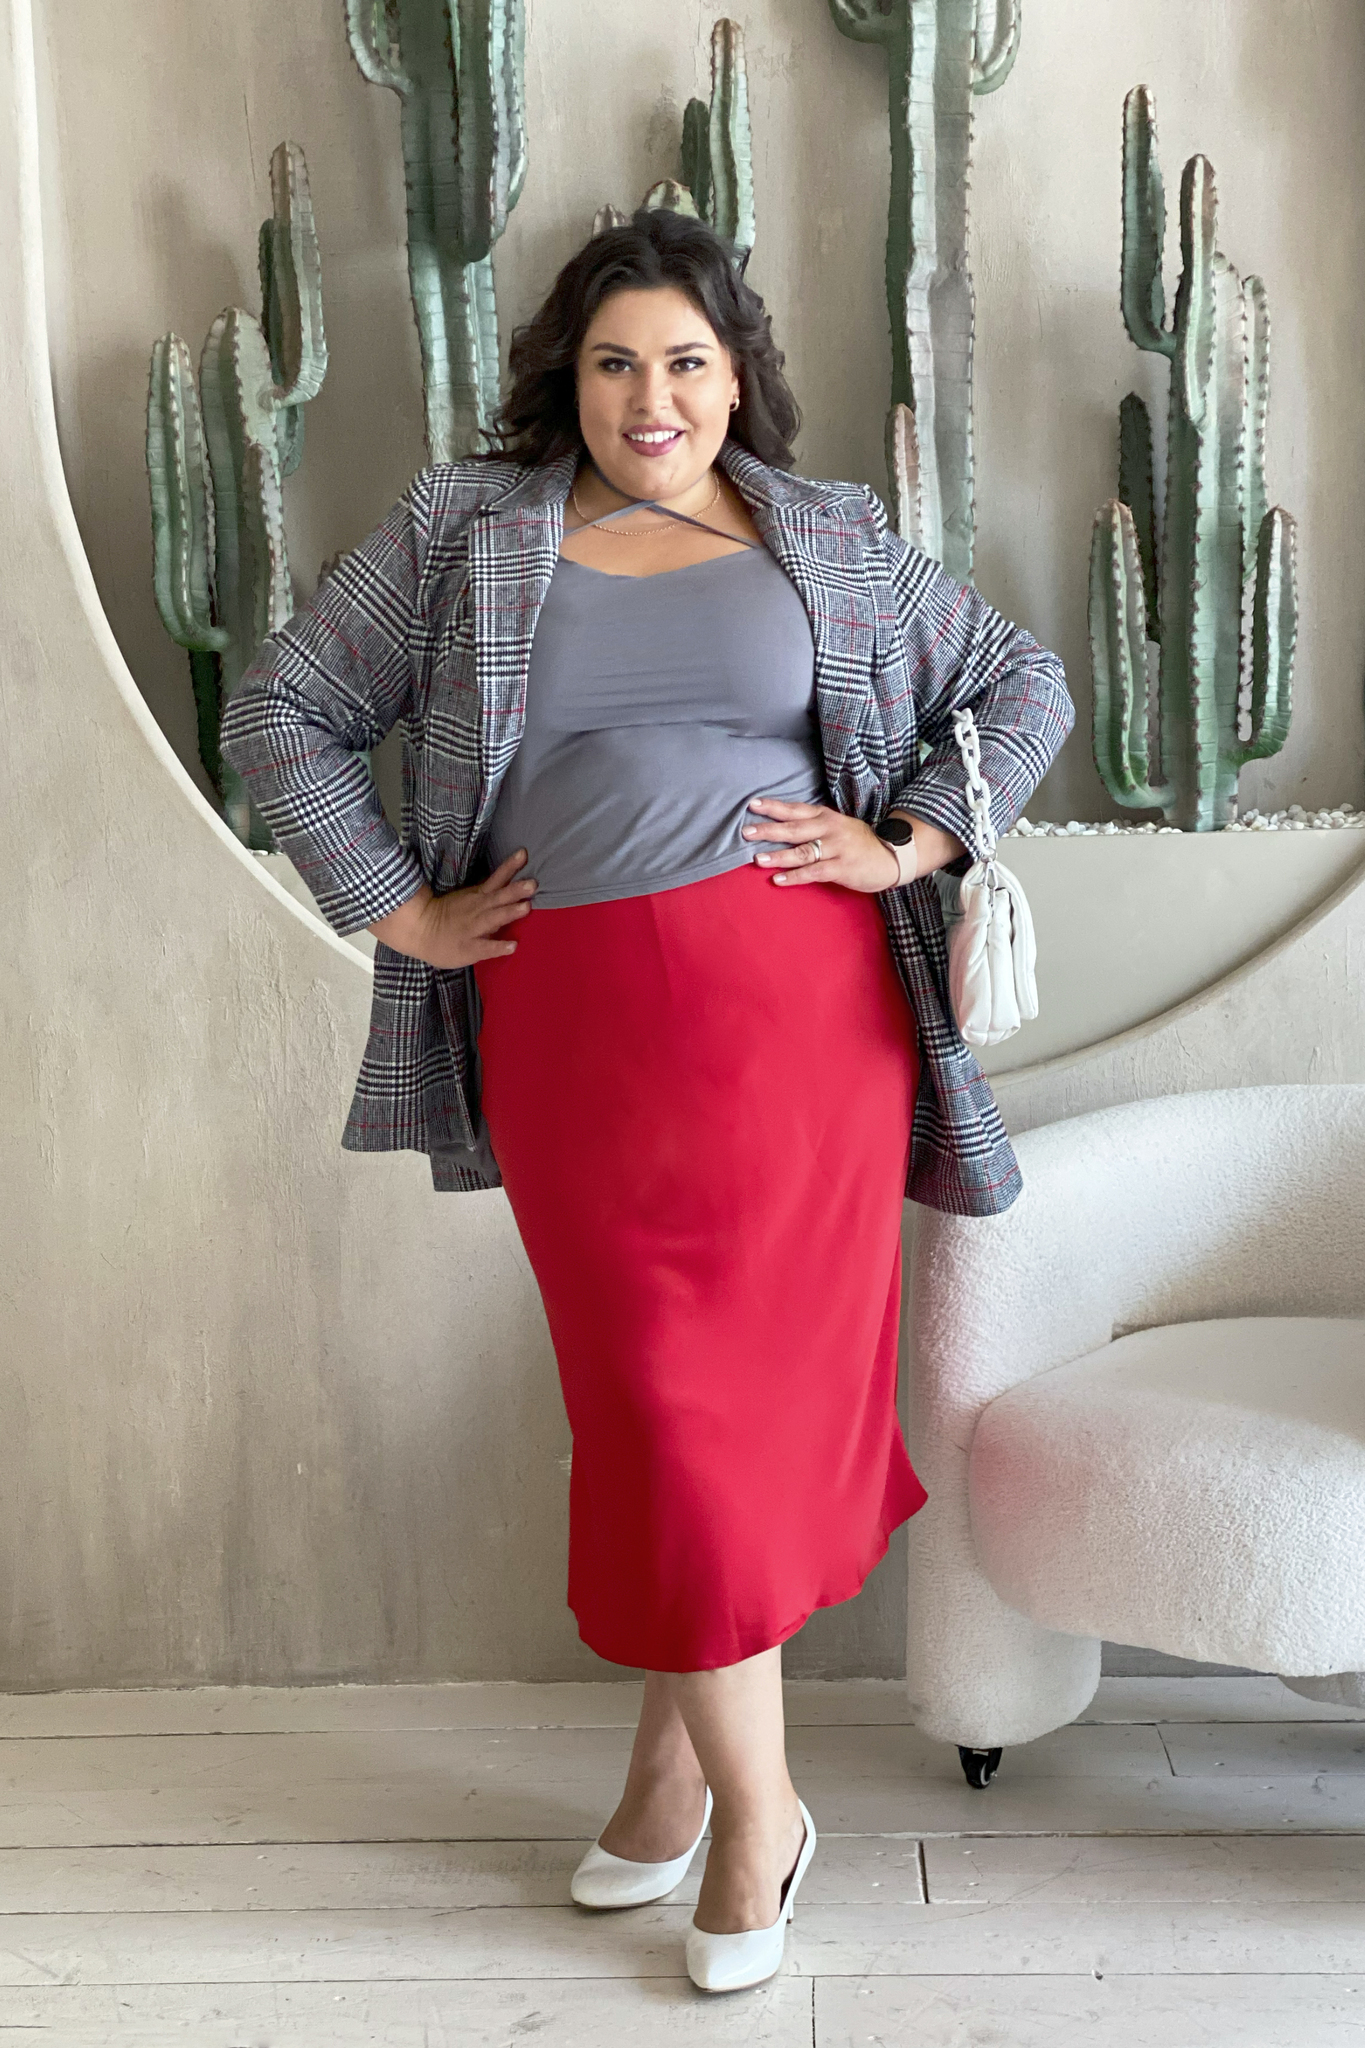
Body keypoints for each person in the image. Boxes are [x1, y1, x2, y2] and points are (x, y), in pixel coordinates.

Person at [220, 206, 1072, 1994]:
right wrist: (401, 909)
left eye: (686, 360)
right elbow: (282, 709)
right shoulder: (468, 530)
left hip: (807, 1039)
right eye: (615, 363)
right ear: (572, 379)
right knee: (660, 1414)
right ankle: (748, 1803)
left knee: (722, 1429)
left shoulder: (826, 535)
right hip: (577, 1040)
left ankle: (704, 1802)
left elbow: (1021, 683)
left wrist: (907, 839)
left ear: (736, 376)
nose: (651, 397)